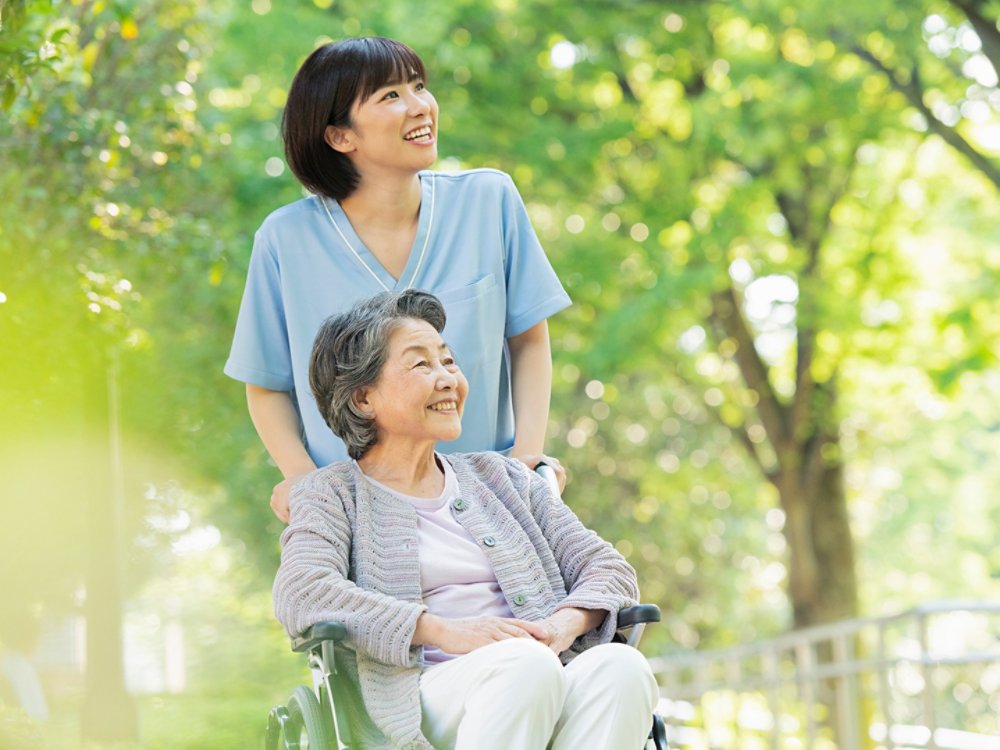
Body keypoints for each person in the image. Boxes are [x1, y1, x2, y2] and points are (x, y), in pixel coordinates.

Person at [273, 290, 658, 750]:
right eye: (422, 365)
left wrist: (564, 625)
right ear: (362, 398)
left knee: (621, 667)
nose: (447, 379)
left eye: (448, 362)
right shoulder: (332, 494)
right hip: (422, 694)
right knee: (521, 664)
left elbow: (609, 569)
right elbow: (303, 591)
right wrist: (443, 630)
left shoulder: (504, 479)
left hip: (542, 668)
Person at [225, 37, 571, 522]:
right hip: (358, 522)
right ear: (340, 136)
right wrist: (304, 482)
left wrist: (526, 457)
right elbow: (266, 384)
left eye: (419, 86)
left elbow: (529, 340)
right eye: (390, 96)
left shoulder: (489, 201)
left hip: (492, 506)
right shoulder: (285, 240)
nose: (420, 106)